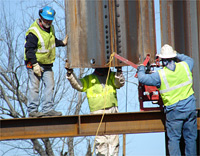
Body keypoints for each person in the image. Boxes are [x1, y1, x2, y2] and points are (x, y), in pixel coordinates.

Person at [137, 44, 197, 156]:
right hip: (190, 108)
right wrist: (176, 54)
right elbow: (189, 59)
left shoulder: (160, 75)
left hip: (174, 112)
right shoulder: (185, 66)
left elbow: (142, 78)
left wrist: (141, 68)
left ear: (162, 60)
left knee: (174, 140)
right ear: (174, 57)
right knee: (190, 139)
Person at [65, 61, 125, 156]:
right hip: (97, 112)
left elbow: (119, 83)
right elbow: (78, 85)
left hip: (112, 110)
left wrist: (119, 71)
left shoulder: (112, 76)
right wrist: (70, 74)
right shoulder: (89, 79)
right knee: (101, 141)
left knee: (113, 141)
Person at [24, 6, 68, 117]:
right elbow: (29, 50)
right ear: (41, 18)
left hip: (47, 64)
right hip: (34, 63)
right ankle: (33, 111)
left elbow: (51, 41)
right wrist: (34, 65)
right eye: (46, 20)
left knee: (50, 85)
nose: (48, 22)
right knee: (34, 86)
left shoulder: (50, 28)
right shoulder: (34, 32)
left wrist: (62, 43)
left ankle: (48, 108)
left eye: (50, 20)